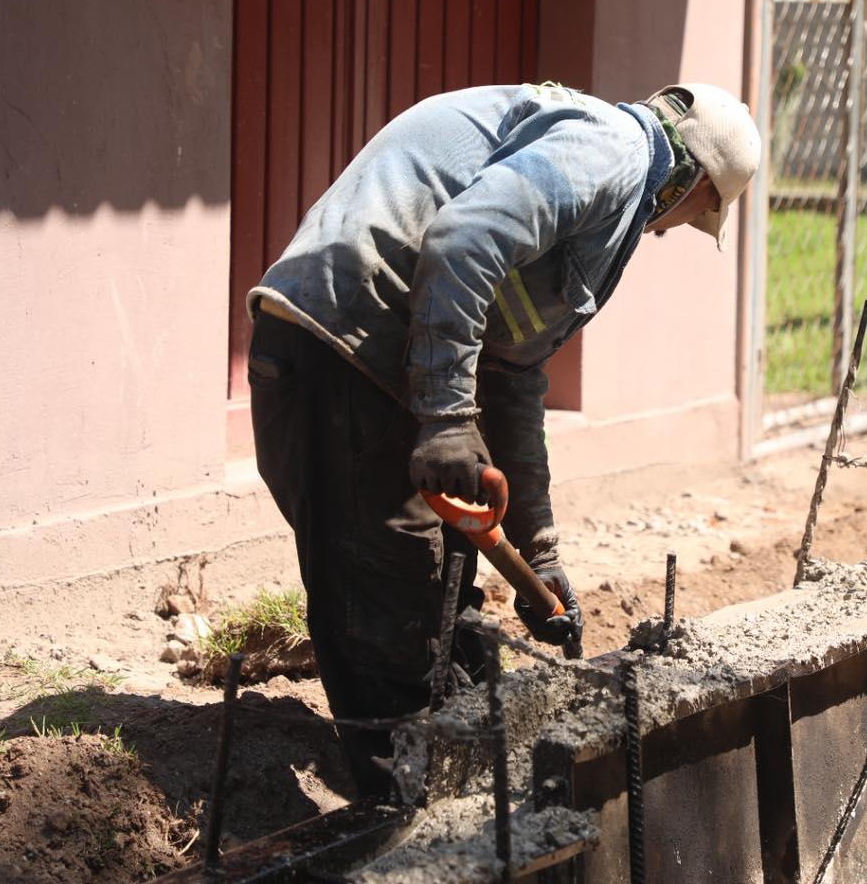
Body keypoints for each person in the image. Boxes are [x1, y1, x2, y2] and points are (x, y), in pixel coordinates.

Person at [244, 81, 761, 798]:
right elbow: (465, 240)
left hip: (366, 357)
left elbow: (515, 376)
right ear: (694, 181)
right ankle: (407, 839)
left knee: (445, 603)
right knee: (390, 609)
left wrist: (540, 553)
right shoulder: (611, 151)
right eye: (698, 214)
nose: (673, 229)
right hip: (349, 348)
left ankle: (465, 793)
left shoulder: (601, 191)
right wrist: (448, 417)